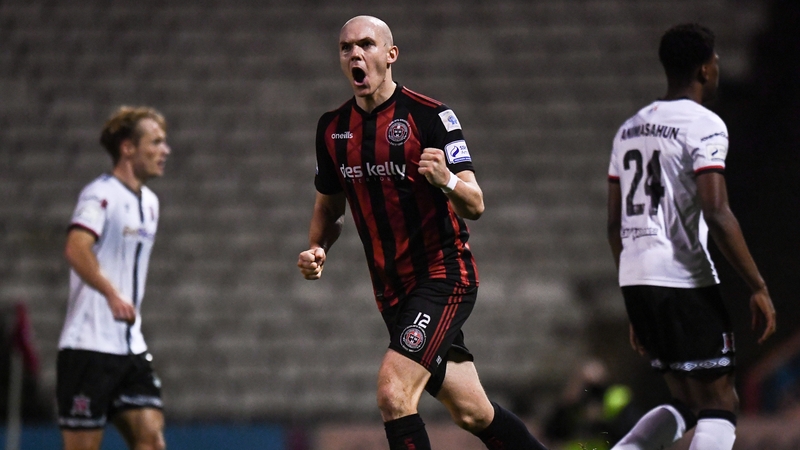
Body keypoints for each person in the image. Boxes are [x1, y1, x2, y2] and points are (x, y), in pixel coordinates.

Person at [298, 15, 548, 450]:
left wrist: (447, 180)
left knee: (393, 392)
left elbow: (476, 203)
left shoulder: (431, 117)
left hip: (443, 276)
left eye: (366, 45)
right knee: (473, 412)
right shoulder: (332, 129)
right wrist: (318, 247)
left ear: (391, 55)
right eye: (345, 48)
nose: (355, 54)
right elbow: (329, 204)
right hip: (392, 291)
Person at [606, 24, 777, 450]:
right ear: (704, 69)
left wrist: (634, 292)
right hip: (683, 277)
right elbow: (716, 211)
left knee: (684, 402)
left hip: (638, 275)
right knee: (720, 403)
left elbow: (613, 224)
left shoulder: (630, 128)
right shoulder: (705, 124)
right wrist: (757, 286)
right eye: (715, 61)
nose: (717, 68)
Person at [57, 106, 170, 450]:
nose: (165, 151)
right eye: (156, 142)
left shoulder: (150, 203)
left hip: (130, 346)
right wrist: (110, 293)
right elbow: (77, 248)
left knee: (151, 439)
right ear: (127, 148)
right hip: (88, 347)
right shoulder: (99, 194)